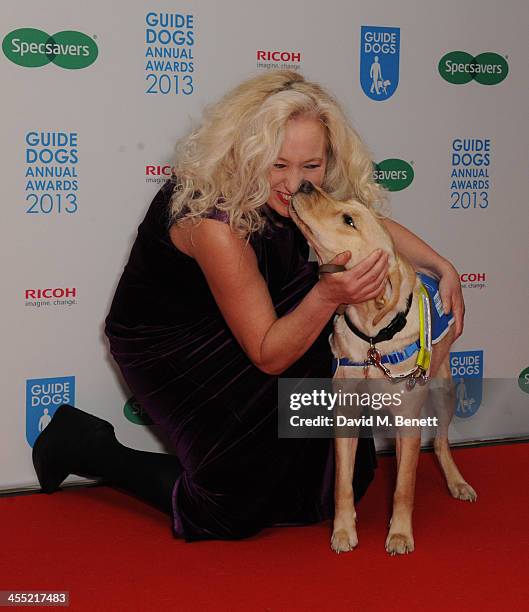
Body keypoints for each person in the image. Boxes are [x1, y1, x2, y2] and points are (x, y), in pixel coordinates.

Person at [32, 70, 465, 542]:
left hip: (271, 318)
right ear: (247, 151)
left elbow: (366, 225)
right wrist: (327, 296)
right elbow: (268, 353)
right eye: (278, 165)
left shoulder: (304, 184)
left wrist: (442, 266)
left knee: (332, 484)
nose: (294, 183)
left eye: (311, 166)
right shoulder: (211, 218)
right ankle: (88, 446)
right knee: (230, 506)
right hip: (181, 345)